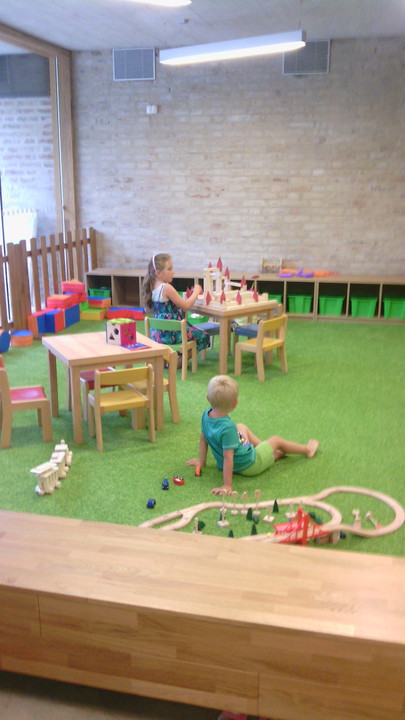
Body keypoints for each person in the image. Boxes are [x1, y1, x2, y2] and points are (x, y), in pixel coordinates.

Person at [186, 375, 318, 496]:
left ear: (208, 398)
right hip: (249, 464)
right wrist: (227, 485)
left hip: (229, 462)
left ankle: (270, 453)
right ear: (234, 403)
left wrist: (201, 462)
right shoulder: (228, 427)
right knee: (276, 440)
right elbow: (228, 457)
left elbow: (203, 440)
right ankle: (307, 450)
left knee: (241, 427)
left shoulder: (206, 415)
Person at [142, 252, 210, 353]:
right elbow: (186, 306)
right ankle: (181, 360)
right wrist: (196, 292)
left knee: (194, 331)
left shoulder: (152, 287)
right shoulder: (167, 288)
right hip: (172, 334)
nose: (173, 272)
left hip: (157, 335)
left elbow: (149, 310)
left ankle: (176, 357)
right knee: (203, 336)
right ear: (158, 273)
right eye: (169, 269)